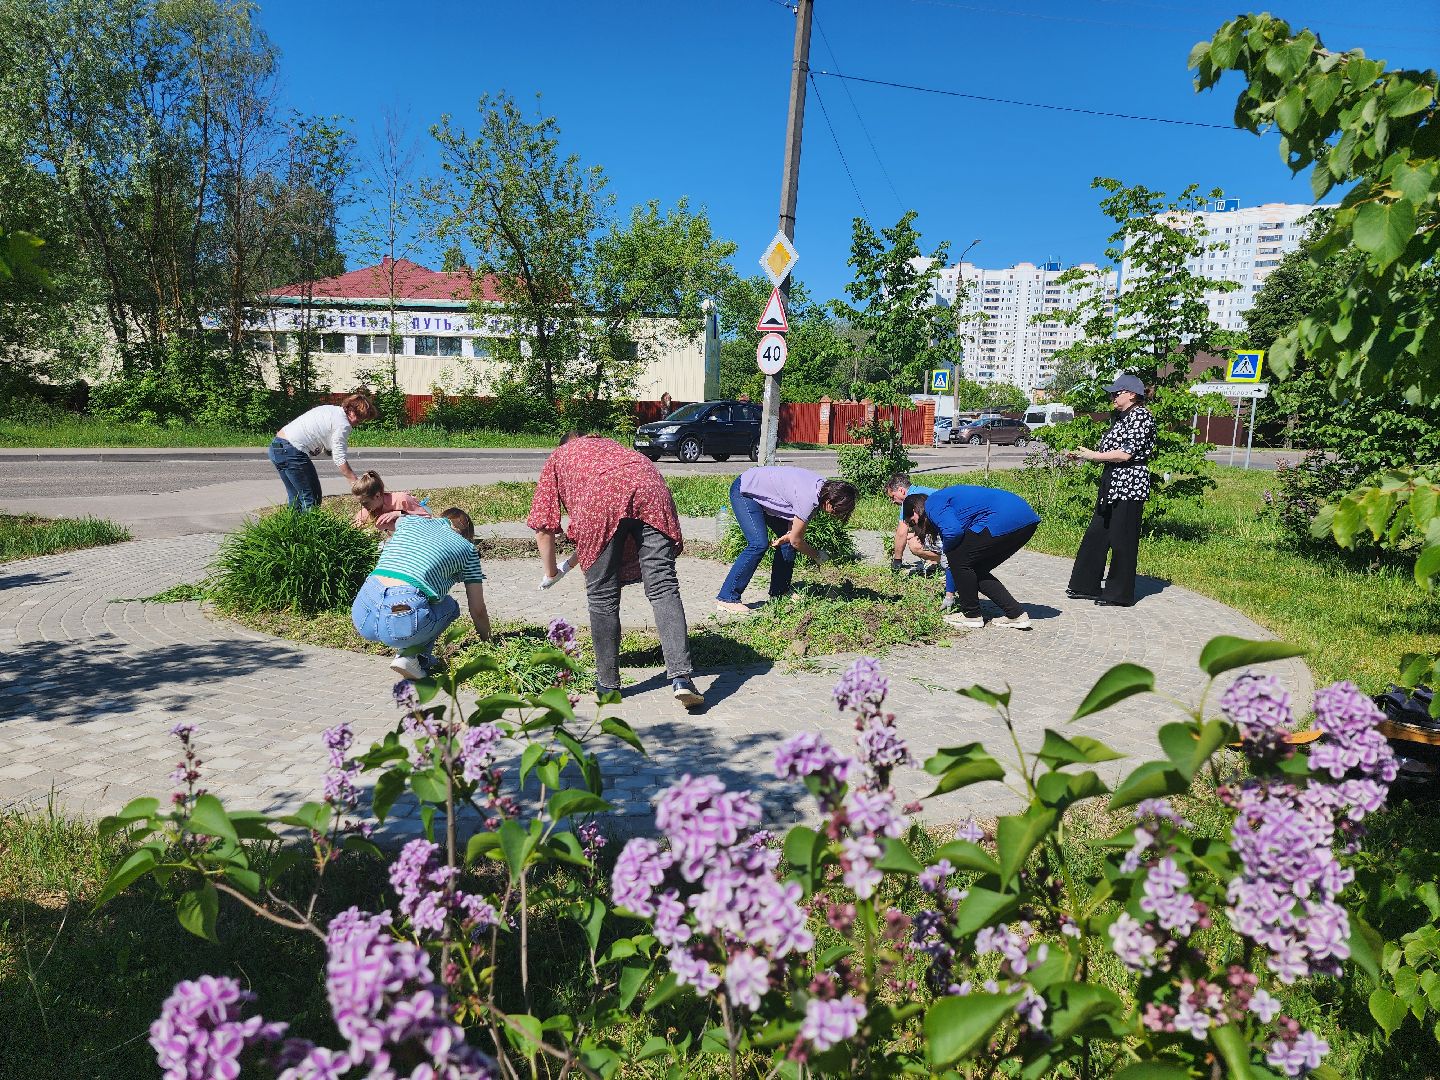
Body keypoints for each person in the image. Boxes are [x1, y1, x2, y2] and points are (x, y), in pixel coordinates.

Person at [526, 433, 703, 708]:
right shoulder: (611, 447)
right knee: (663, 586)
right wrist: (570, 563)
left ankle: (608, 686)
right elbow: (606, 532)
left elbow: (543, 526)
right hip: (651, 488)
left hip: (601, 502)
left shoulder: (559, 457)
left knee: (602, 597)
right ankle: (682, 678)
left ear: (562, 445)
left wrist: (550, 573)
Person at [351, 508, 491, 680]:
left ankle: (415, 655)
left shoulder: (412, 522)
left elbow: (400, 518)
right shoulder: (468, 550)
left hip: (363, 611)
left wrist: (398, 513)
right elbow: (477, 609)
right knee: (449, 606)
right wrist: (488, 642)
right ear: (468, 534)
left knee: (418, 600)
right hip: (401, 614)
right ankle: (409, 657)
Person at [1065, 373, 1158, 607]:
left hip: (1130, 483)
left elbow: (1126, 453)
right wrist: (1082, 455)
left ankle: (1119, 594)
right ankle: (1085, 585)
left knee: (1122, 539)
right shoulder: (1121, 417)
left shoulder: (1141, 416)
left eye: (1117, 393)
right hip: (1113, 480)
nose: (1114, 396)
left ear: (1132, 395)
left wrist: (1094, 456)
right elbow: (1109, 450)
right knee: (1098, 533)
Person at [716, 466, 857, 614]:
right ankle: (727, 598)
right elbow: (797, 541)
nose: (834, 514)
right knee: (758, 544)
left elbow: (792, 524)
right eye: (836, 510)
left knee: (788, 543)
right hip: (745, 491)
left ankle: (780, 593)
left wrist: (789, 534)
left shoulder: (821, 488)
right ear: (830, 499)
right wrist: (817, 555)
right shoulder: (809, 499)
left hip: (762, 492)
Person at [902, 485, 1039, 630]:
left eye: (912, 522)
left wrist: (947, 552)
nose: (915, 527)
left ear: (915, 510)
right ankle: (1016, 614)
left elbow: (953, 534)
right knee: (974, 568)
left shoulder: (932, 504)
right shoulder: (945, 509)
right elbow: (954, 560)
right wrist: (949, 595)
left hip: (1003, 517)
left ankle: (971, 615)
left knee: (959, 558)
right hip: (1025, 519)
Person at [270, 393, 377, 510]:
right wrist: (355, 484)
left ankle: (293, 526)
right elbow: (339, 457)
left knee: (296, 497)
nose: (359, 421)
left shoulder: (330, 410)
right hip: (291, 451)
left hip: (276, 447)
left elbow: (322, 435)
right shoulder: (343, 423)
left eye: (363, 418)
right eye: (359, 416)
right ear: (350, 409)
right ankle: (310, 527)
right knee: (312, 498)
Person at [884, 473, 953, 611]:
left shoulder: (909, 501)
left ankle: (952, 560)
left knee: (914, 545)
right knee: (914, 537)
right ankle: (938, 561)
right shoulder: (923, 490)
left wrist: (897, 561)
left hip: (952, 533)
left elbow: (901, 533)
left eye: (893, 497)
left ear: (901, 491)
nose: (893, 501)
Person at [351, 470, 431, 535]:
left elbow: (428, 519)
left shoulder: (401, 499)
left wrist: (398, 514)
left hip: (415, 536)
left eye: (365, 503)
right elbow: (354, 529)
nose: (363, 506)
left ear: (377, 496)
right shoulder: (366, 511)